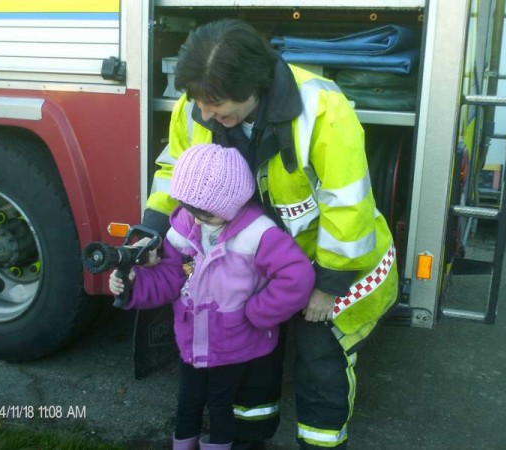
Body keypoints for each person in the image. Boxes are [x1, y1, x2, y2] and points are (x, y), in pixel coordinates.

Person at [142, 19, 399, 450]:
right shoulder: (197, 105)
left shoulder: (322, 109)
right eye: (199, 103)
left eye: (217, 106)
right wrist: (151, 231)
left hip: (334, 262)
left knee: (320, 358)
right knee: (253, 356)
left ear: (255, 88)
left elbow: (348, 206)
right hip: (259, 263)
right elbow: (174, 173)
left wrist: (327, 285)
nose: (205, 115)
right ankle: (248, 438)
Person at [110, 143, 315, 450]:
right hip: (192, 338)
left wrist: (257, 313)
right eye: (188, 207)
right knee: (187, 401)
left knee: (221, 405)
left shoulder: (258, 233)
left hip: (234, 342)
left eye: (203, 212)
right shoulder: (183, 226)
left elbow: (297, 276)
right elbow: (170, 276)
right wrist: (133, 286)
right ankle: (183, 443)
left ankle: (218, 444)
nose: (194, 217)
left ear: (230, 203)